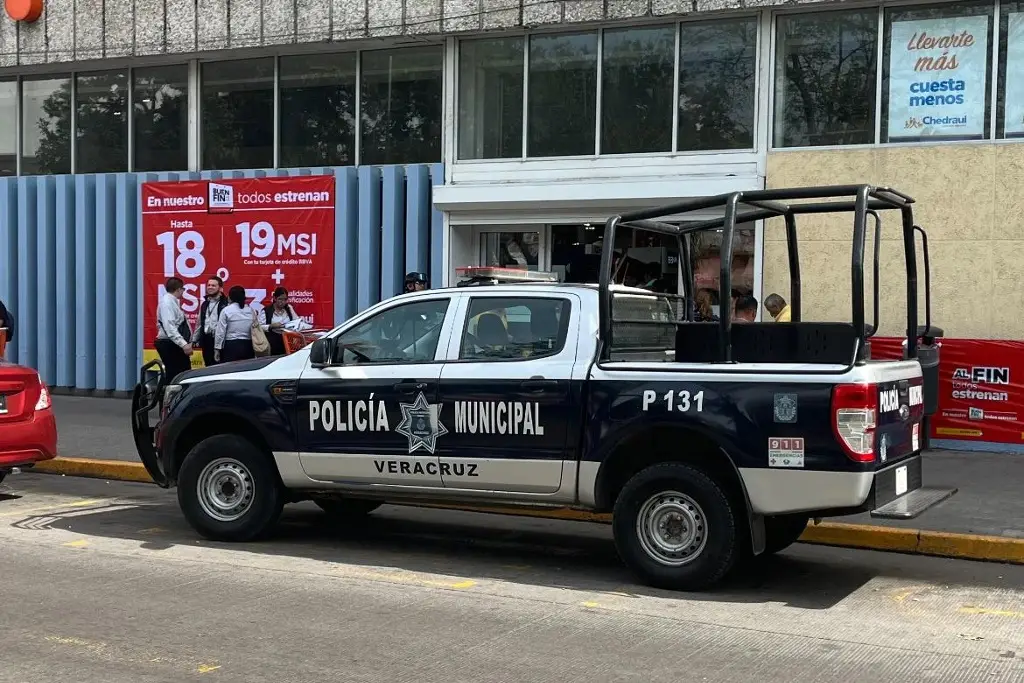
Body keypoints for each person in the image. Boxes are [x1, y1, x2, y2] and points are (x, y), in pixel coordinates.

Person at [155, 277, 194, 381]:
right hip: (170, 344)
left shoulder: (172, 302)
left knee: (181, 372)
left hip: (173, 343)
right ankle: (170, 396)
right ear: (179, 289)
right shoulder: (167, 303)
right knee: (176, 374)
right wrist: (184, 344)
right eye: (183, 289)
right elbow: (170, 327)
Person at [191, 276, 228, 367]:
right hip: (206, 340)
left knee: (220, 367)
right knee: (208, 366)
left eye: (213, 285)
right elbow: (199, 323)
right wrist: (194, 340)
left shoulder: (226, 303)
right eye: (209, 285)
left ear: (220, 288)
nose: (210, 287)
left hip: (221, 340)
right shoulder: (205, 303)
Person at [215, 286, 257, 363]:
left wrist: (217, 349)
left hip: (231, 346)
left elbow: (220, 332)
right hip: (248, 346)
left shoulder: (226, 310)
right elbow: (256, 328)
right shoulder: (251, 310)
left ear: (230, 297)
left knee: (230, 372)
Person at [261, 286, 302, 356]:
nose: (282, 302)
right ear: (274, 298)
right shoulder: (266, 311)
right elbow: (260, 327)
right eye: (280, 299)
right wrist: (271, 326)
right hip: (272, 344)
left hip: (288, 343)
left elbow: (297, 321)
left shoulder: (288, 308)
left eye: (285, 299)